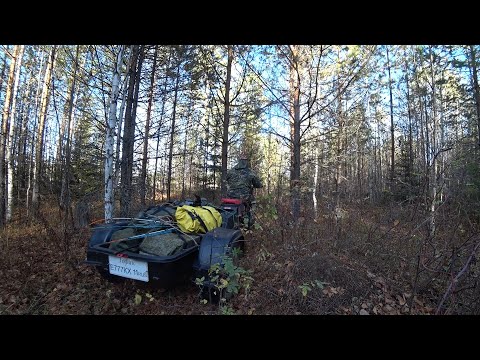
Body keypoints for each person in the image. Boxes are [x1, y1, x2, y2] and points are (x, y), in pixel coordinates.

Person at [225, 156, 262, 228]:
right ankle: (250, 224)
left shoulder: (231, 171)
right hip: (244, 196)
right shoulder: (250, 172)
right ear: (246, 162)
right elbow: (258, 184)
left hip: (231, 195)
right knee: (253, 203)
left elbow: (227, 180)